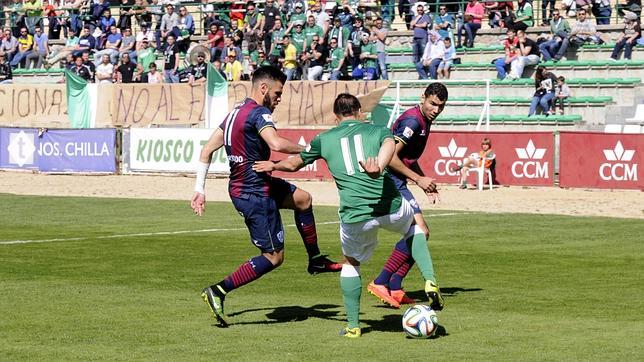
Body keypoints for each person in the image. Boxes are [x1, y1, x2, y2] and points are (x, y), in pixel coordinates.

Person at [253, 93, 439, 338]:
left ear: (335, 116)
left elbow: (295, 163)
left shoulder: (324, 138)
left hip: (354, 215)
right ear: (360, 111)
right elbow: (389, 146)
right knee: (415, 228)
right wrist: (378, 168)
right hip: (389, 206)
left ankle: (353, 326)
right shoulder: (377, 130)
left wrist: (273, 166)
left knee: (351, 263)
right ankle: (430, 279)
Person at [194, 66, 341, 327]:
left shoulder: (235, 113)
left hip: (255, 184)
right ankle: (219, 290)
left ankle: (316, 260)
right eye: (277, 92)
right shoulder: (259, 113)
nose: (279, 98)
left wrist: (199, 190)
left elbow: (206, 151)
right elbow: (275, 144)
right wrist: (311, 150)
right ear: (263, 89)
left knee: (303, 199)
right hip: (253, 193)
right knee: (274, 257)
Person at [368, 83, 447, 309]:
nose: (436, 110)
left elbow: (408, 159)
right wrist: (418, 179)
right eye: (432, 104)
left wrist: (422, 181)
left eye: (440, 106)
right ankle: (382, 281)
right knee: (420, 231)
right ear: (423, 97)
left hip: (397, 179)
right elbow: (391, 156)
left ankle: (394, 284)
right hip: (389, 180)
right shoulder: (412, 122)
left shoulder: (424, 120)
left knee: (420, 233)